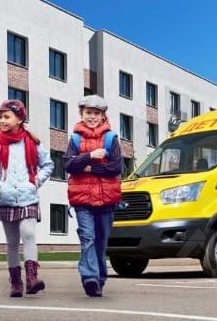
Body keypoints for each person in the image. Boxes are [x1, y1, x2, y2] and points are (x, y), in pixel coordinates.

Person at [0, 100, 54, 297]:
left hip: (28, 196)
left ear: (19, 119)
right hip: (5, 198)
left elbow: (48, 165)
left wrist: (35, 182)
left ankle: (32, 279)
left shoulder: (32, 142)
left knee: (28, 233)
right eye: (0, 117)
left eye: (7, 117)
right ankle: (16, 283)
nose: (2, 121)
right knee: (12, 241)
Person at [64, 95, 123, 297]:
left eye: (96, 113)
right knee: (87, 237)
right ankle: (90, 277)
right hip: (82, 199)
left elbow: (116, 167)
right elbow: (68, 164)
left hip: (107, 199)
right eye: (88, 112)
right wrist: (89, 156)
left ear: (103, 115)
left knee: (100, 241)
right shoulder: (75, 139)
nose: (92, 117)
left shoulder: (111, 138)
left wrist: (90, 168)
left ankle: (99, 279)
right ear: (81, 114)